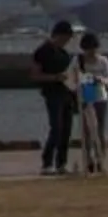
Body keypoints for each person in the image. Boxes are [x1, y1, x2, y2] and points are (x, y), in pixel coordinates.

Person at [31, 21, 78, 175]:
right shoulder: (42, 51)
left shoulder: (64, 54)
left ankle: (61, 163)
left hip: (67, 93)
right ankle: (47, 162)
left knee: (67, 129)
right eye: (65, 38)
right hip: (52, 93)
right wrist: (55, 77)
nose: (67, 42)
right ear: (59, 35)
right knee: (56, 128)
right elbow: (35, 75)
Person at [72, 32, 108, 174]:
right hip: (84, 97)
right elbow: (71, 78)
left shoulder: (103, 61)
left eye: (94, 49)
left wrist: (99, 79)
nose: (91, 52)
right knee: (86, 131)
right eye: (88, 49)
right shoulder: (78, 61)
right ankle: (88, 160)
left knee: (100, 130)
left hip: (100, 97)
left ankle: (100, 159)